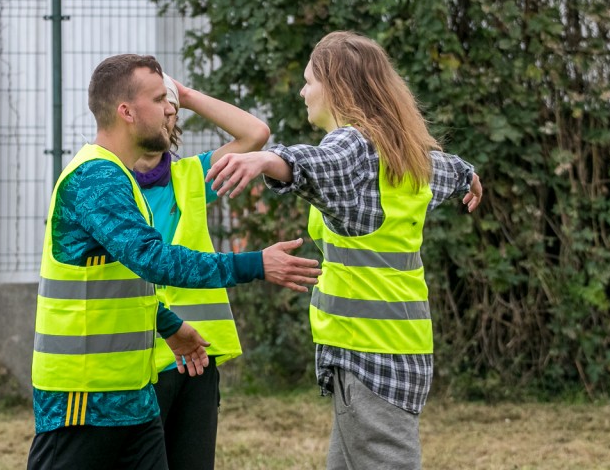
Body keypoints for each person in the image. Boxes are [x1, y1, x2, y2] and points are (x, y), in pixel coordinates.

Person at [26, 53, 321, 470]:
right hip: (84, 399)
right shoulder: (96, 177)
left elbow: (127, 282)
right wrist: (253, 264)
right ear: (126, 111)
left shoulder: (121, 177)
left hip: (133, 395)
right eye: (159, 99)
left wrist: (170, 327)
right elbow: (152, 260)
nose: (171, 108)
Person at [206, 31, 483, 470]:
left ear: (335, 87)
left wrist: (265, 160)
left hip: (368, 353)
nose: (303, 92)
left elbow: (319, 164)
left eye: (309, 81)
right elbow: (446, 169)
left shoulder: (353, 144)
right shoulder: (402, 150)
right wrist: (468, 176)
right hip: (399, 346)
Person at [132, 73, 269, 470]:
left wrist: (187, 95)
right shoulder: (104, 182)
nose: (166, 115)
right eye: (159, 105)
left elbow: (255, 134)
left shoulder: (192, 175)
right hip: (138, 359)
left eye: (171, 110)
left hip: (195, 358)